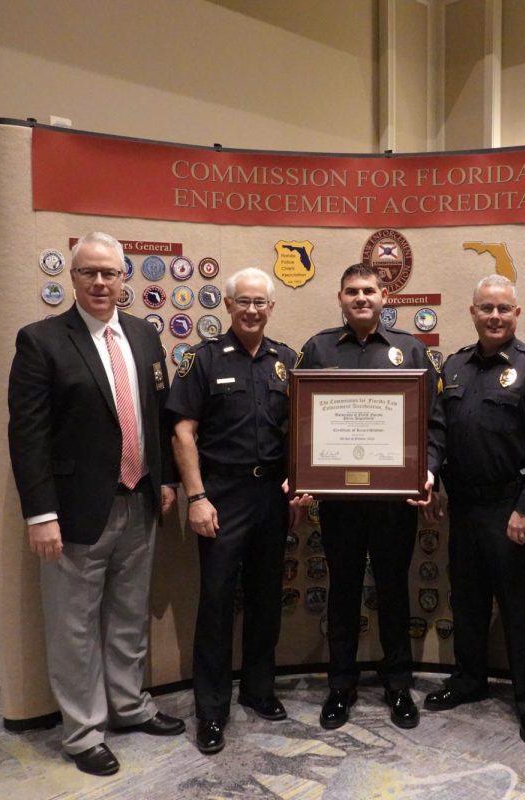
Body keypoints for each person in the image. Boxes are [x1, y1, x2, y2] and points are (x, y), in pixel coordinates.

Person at [8, 232, 183, 776]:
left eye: (110, 272)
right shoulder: (41, 341)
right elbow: (27, 436)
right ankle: (83, 732)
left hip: (140, 500)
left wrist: (168, 479)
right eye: (90, 272)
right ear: (74, 277)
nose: (101, 282)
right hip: (75, 511)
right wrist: (40, 514)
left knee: (128, 615)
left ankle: (128, 706)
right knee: (74, 626)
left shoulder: (144, 335)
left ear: (124, 278)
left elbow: (158, 416)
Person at [420, 274, 525, 745]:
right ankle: (469, 680)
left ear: (516, 314)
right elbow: (438, 431)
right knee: (468, 601)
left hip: (511, 509)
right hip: (464, 505)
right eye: (487, 308)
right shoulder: (454, 367)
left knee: (520, 609)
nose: (495, 316)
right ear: (473, 312)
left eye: (503, 309)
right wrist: (429, 479)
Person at [298, 263, 438, 731]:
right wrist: (299, 473)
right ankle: (341, 685)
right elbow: (298, 421)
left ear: (385, 298)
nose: (361, 298)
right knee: (343, 591)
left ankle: (398, 684)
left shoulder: (411, 349)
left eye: (370, 291)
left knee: (395, 590)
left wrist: (427, 470)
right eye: (353, 291)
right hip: (338, 502)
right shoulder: (317, 349)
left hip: (394, 501)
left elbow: (432, 423)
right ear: (340, 297)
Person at [167, 268, 297, 755]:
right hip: (220, 495)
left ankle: (260, 690)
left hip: (271, 497)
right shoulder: (201, 360)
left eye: (260, 302)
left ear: (270, 308)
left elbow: (299, 435)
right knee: (218, 602)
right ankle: (211, 709)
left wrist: (297, 489)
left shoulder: (286, 361)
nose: (252, 310)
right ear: (227, 306)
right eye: (243, 301)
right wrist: (197, 498)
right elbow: (183, 433)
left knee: (267, 597)